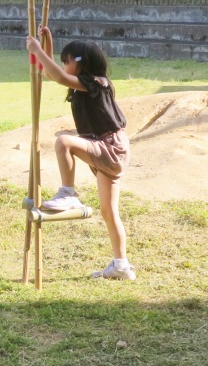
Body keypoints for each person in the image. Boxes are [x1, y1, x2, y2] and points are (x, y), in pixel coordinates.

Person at [25, 27, 135, 281]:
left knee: (64, 142)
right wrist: (47, 44)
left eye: (66, 61)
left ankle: (68, 194)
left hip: (111, 146)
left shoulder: (98, 83)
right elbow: (55, 75)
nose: (63, 66)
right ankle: (121, 266)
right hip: (107, 149)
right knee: (109, 211)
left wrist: (37, 50)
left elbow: (60, 77)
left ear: (79, 62)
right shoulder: (82, 84)